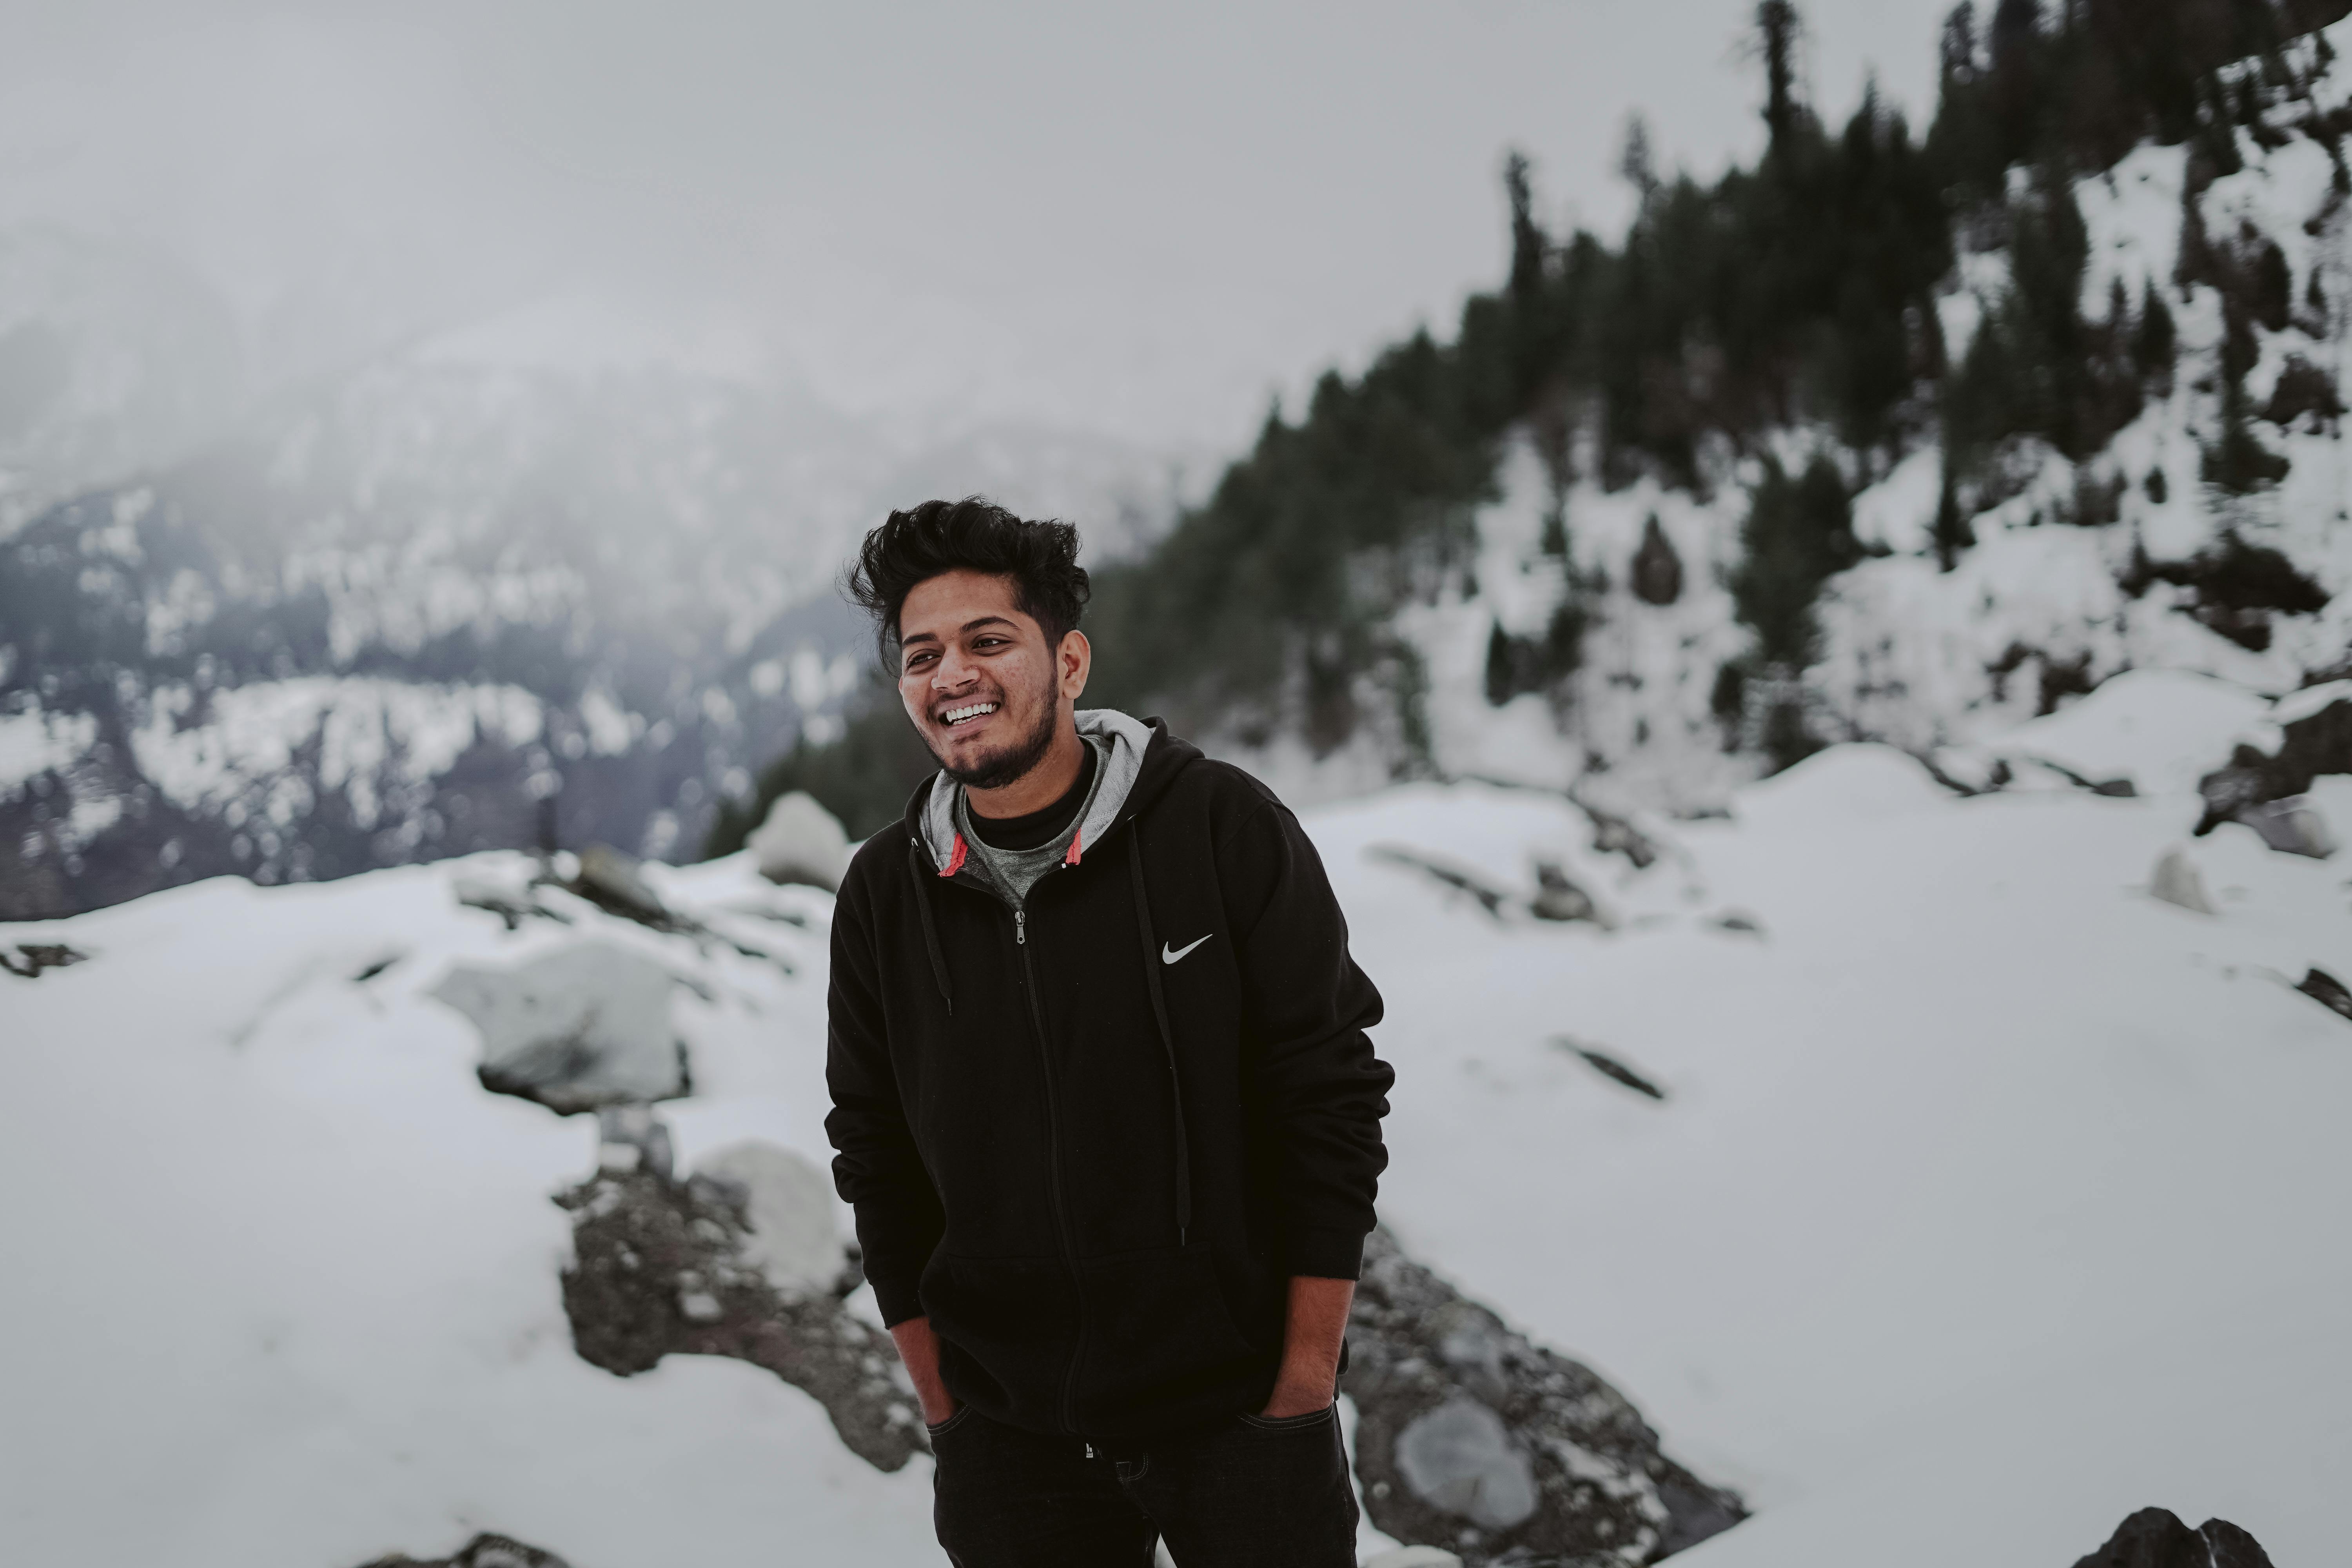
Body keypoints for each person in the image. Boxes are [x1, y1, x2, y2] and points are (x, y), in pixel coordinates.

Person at [824, 497, 1395, 1566]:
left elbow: (1330, 1095)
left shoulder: (1221, 829)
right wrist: (950, 1412)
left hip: (1238, 1420)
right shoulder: (882, 898)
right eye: (923, 654)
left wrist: (1299, 1390)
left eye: (989, 639)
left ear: (1070, 662)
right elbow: (874, 1152)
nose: (952, 675)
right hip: (1014, 1450)